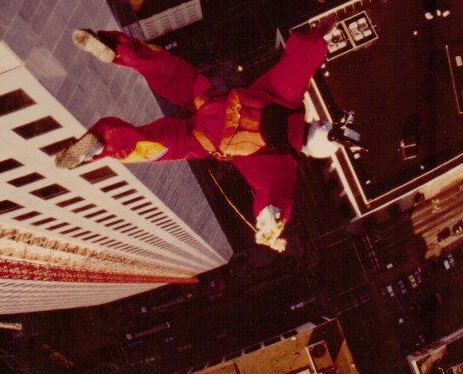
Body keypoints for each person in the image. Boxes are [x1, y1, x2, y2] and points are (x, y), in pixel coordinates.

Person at [55, 18, 340, 251]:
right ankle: (104, 143)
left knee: (168, 71)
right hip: (206, 140)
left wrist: (320, 37)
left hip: (211, 101)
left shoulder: (291, 103)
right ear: (310, 151)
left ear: (316, 124)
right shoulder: (285, 162)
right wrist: (273, 222)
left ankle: (118, 49)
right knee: (156, 144)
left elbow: (298, 65)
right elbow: (276, 194)